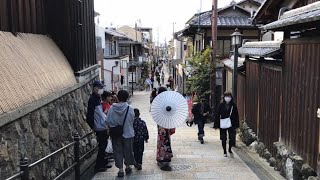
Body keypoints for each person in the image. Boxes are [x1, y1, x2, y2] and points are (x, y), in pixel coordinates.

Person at [106, 90, 136, 177]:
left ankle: (120, 170)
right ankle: (127, 167)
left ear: (118, 97)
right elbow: (132, 120)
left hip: (116, 134)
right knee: (128, 150)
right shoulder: (130, 108)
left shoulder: (112, 108)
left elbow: (107, 121)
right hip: (128, 133)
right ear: (127, 98)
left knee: (118, 151)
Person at [86, 80, 110, 172]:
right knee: (102, 146)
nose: (101, 89)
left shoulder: (96, 98)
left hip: (101, 125)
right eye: (100, 88)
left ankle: (102, 164)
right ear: (95, 88)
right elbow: (94, 114)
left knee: (103, 145)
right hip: (99, 126)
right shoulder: (93, 99)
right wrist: (94, 126)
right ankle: (99, 166)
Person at [214, 91, 239, 157]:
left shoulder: (233, 105)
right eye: (226, 96)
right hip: (223, 123)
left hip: (232, 123)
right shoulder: (221, 105)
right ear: (224, 97)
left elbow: (236, 115)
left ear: (231, 97)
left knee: (232, 138)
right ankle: (224, 151)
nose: (227, 98)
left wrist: (237, 124)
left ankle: (230, 149)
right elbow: (217, 114)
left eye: (229, 96)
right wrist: (216, 124)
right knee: (223, 138)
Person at [156, 87, 175, 171]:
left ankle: (162, 156)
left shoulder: (157, 102)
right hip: (166, 123)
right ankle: (164, 157)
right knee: (165, 140)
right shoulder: (167, 102)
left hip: (160, 123)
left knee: (162, 141)